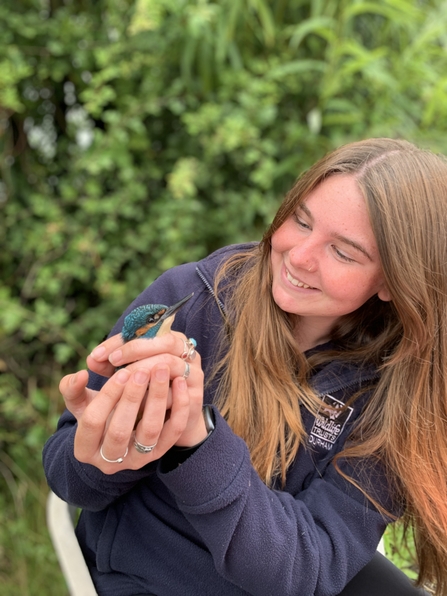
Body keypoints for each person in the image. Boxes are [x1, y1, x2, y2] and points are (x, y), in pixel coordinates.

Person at [42, 138, 446, 596]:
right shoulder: (191, 299)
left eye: (343, 251)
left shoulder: (403, 389)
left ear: (395, 281)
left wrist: (196, 442)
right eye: (301, 220)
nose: (298, 256)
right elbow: (68, 479)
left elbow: (305, 568)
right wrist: (110, 449)